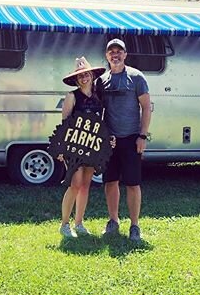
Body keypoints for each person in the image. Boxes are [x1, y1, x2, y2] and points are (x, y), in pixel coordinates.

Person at [96, 39, 151, 242]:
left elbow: (146, 107)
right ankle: (113, 221)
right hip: (109, 141)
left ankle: (135, 225)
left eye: (119, 51)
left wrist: (142, 136)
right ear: (107, 55)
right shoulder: (101, 80)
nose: (115, 55)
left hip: (131, 139)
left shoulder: (136, 77)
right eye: (111, 52)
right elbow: (96, 109)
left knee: (133, 184)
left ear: (125, 55)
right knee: (110, 182)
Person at [59, 56, 106, 238]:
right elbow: (64, 124)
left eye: (86, 74)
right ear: (76, 79)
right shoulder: (72, 96)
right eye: (80, 76)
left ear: (92, 75)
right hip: (74, 146)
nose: (84, 78)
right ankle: (64, 224)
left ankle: (79, 223)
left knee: (86, 185)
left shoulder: (98, 97)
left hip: (92, 146)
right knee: (75, 184)